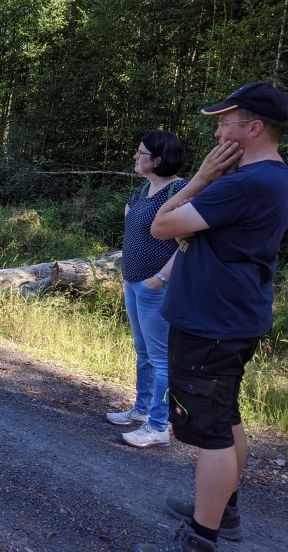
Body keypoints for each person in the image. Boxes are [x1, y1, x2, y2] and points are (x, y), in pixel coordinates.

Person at [134, 81, 288, 552]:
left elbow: (160, 226)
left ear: (254, 128)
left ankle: (202, 537)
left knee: (213, 432)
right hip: (235, 317)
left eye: (225, 124)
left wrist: (199, 180)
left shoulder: (244, 183)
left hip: (210, 323)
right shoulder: (277, 178)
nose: (218, 134)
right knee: (227, 416)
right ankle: (223, 510)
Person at [106, 131, 186, 448]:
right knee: (143, 352)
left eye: (140, 153)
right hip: (133, 280)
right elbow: (130, 221)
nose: (135, 157)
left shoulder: (179, 190)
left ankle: (158, 425)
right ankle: (141, 410)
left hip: (157, 286)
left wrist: (162, 278)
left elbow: (189, 242)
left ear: (157, 159)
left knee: (160, 358)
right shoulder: (143, 188)